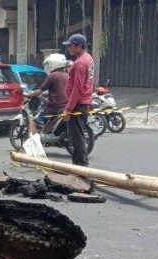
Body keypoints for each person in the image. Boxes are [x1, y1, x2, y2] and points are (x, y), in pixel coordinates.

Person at [62, 33, 94, 166]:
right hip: (83, 102)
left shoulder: (80, 63)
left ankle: (80, 165)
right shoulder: (88, 58)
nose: (69, 48)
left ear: (79, 46)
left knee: (77, 137)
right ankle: (80, 164)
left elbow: (77, 88)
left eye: (71, 45)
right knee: (78, 135)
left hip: (78, 104)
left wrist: (68, 109)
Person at [23, 53, 69, 129]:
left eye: (49, 64)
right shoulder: (68, 75)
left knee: (35, 121)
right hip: (67, 106)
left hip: (55, 106)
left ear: (54, 63)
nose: (48, 66)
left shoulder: (53, 76)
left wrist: (28, 95)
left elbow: (39, 91)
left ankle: (33, 139)